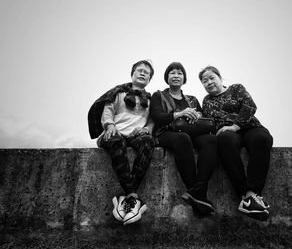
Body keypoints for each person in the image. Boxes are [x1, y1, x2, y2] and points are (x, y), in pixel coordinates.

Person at [198, 66, 273, 221]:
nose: (209, 82)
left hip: (249, 126)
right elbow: (210, 122)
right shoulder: (207, 101)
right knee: (224, 140)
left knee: (262, 138)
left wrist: (235, 125)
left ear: (220, 78)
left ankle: (252, 194)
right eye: (205, 81)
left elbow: (249, 105)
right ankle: (245, 195)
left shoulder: (236, 88)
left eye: (212, 77)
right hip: (228, 133)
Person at [88, 60, 155, 225]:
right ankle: (132, 197)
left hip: (135, 135)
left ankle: (126, 200)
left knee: (148, 141)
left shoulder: (151, 100)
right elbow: (107, 111)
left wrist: (147, 130)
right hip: (115, 132)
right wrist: (109, 125)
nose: (142, 73)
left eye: (146, 73)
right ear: (132, 74)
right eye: (139, 70)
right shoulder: (118, 93)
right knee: (116, 141)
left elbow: (152, 121)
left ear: (149, 79)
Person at [150, 62, 217, 216]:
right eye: (172, 73)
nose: (176, 76)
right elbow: (158, 118)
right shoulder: (158, 95)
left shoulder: (192, 99)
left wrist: (197, 115)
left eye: (180, 73)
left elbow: (203, 119)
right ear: (167, 77)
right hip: (167, 133)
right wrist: (179, 114)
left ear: (184, 78)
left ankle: (197, 190)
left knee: (211, 140)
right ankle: (199, 195)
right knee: (183, 138)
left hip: (192, 132)